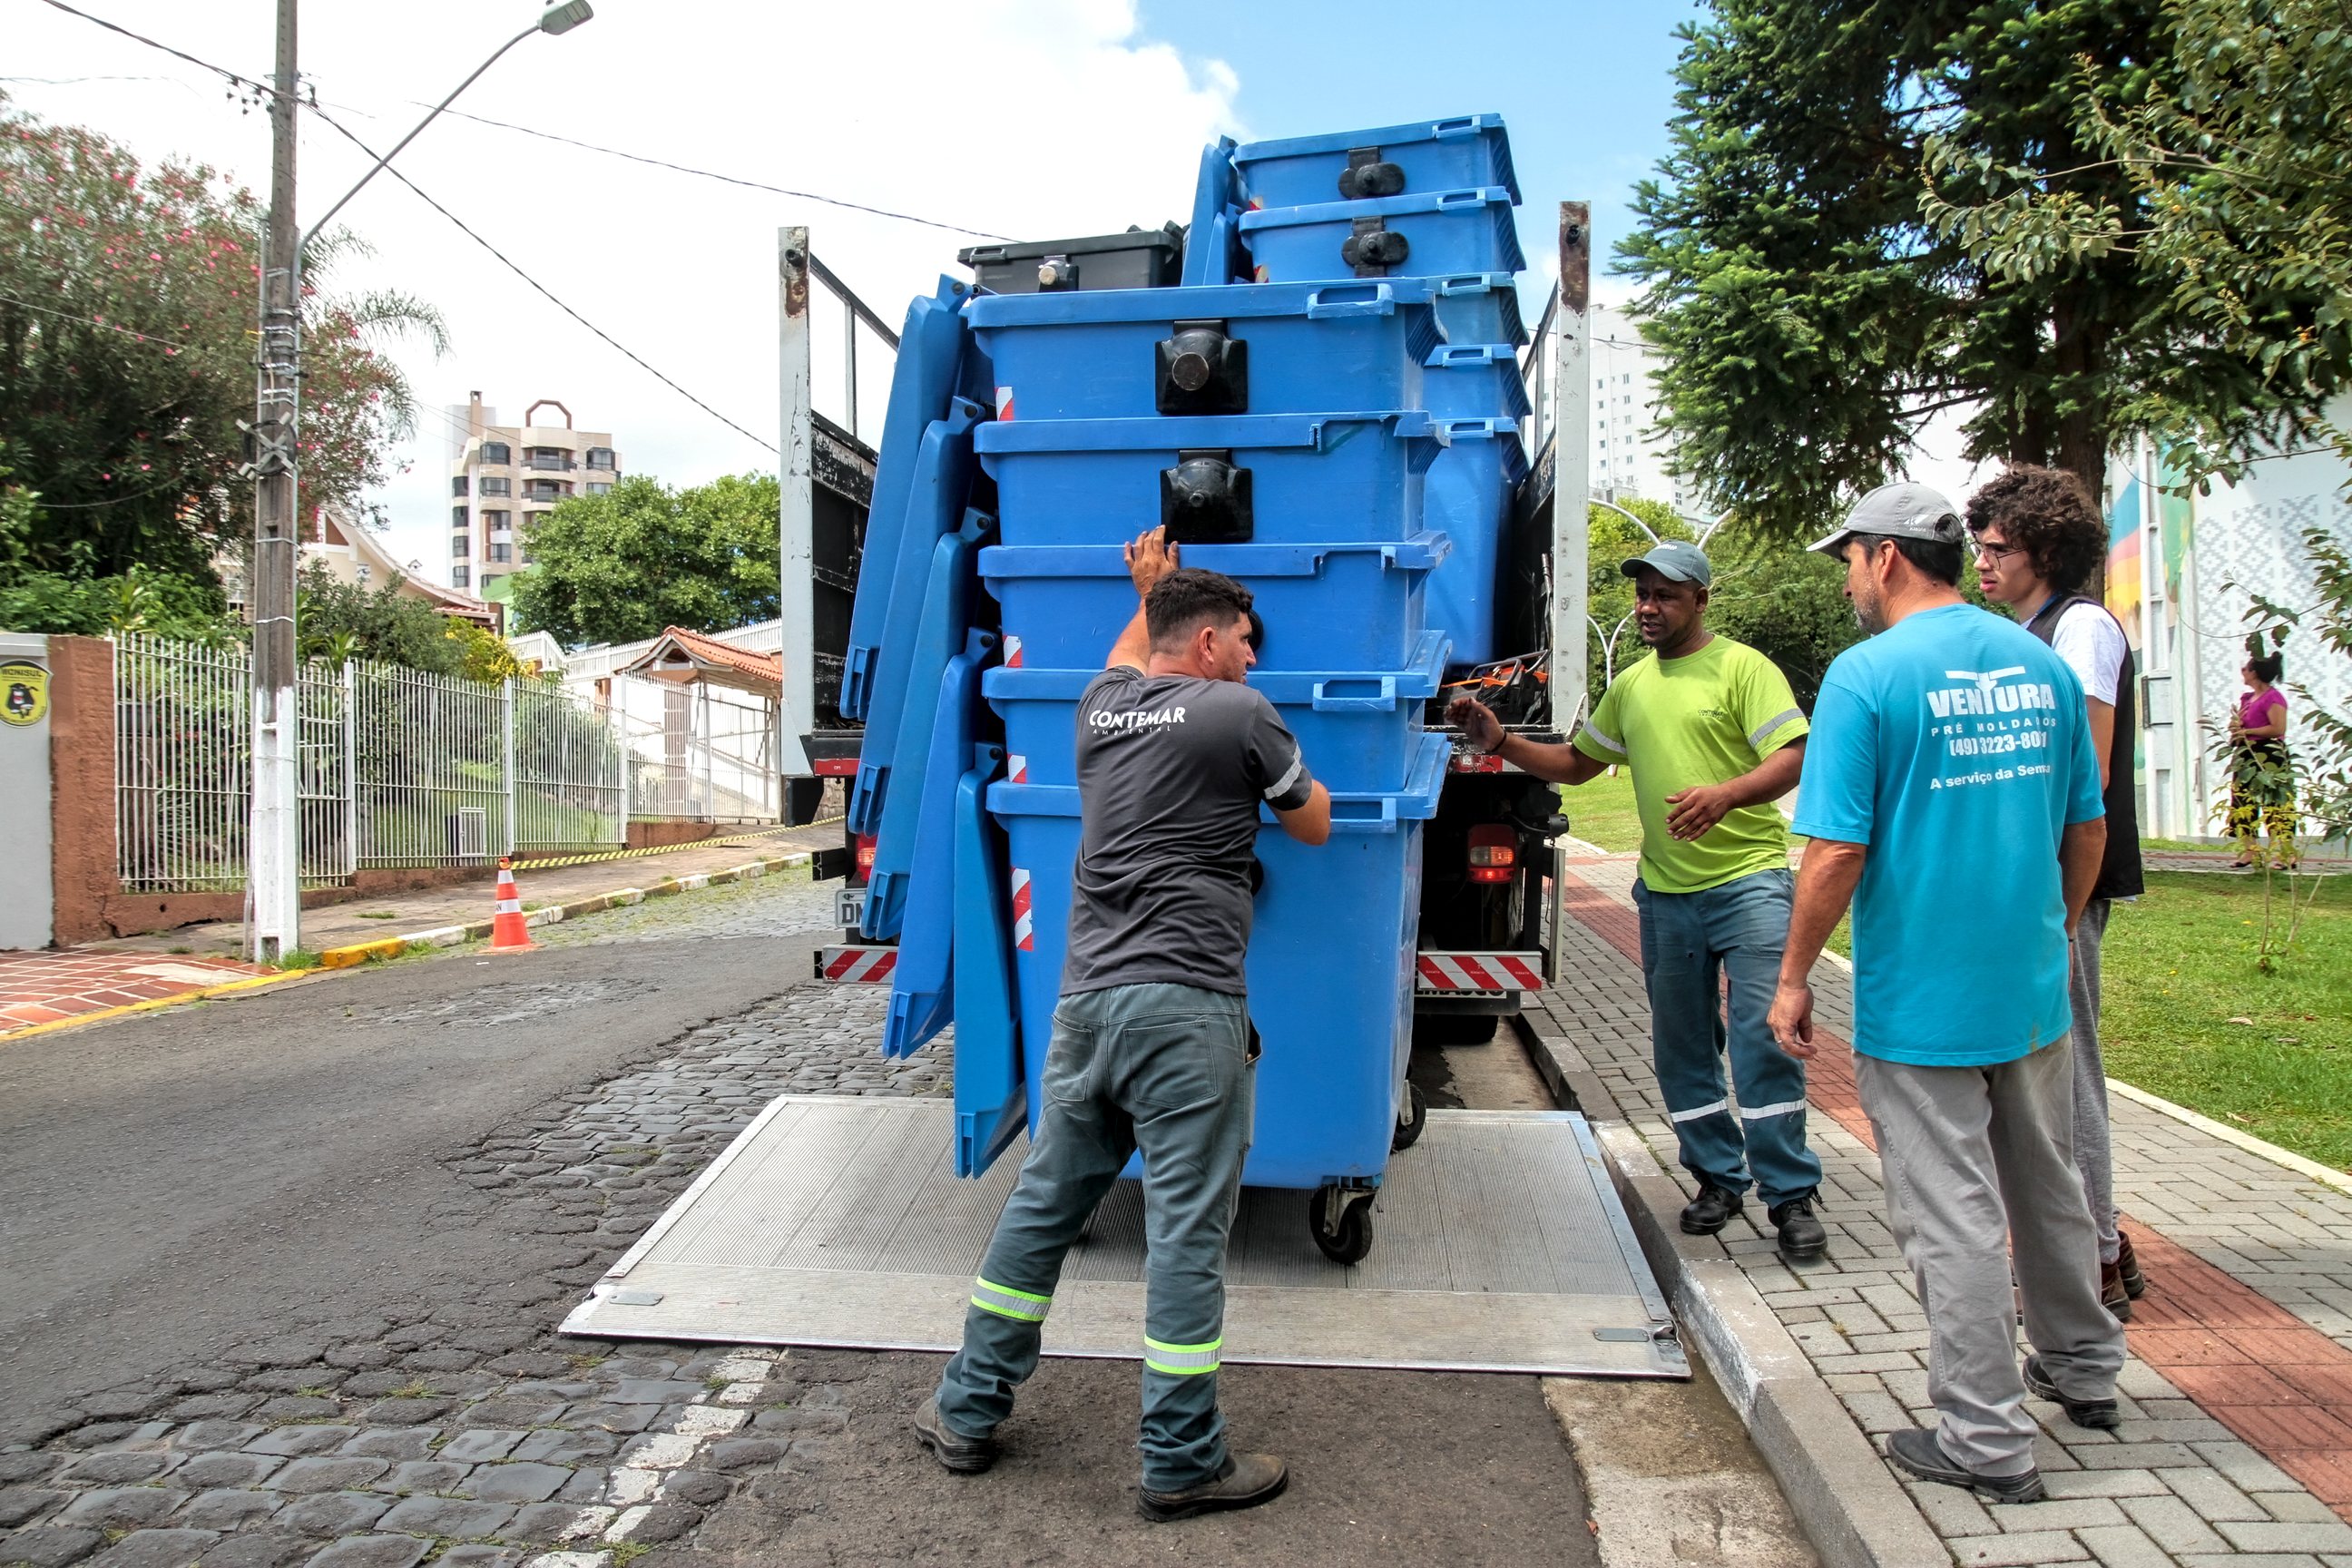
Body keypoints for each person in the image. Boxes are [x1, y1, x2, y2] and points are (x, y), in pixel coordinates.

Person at [916, 528, 1332, 1523]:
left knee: (1044, 1210)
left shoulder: (1098, 712)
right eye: (1240, 638)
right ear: (1206, 648)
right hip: (1187, 1009)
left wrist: (1147, 589)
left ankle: (965, 1410)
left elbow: (1125, 654)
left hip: (1087, 1007)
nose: (1250, 655)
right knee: (1186, 1235)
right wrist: (1287, 776)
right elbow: (1310, 821)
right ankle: (1181, 1461)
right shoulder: (1239, 713)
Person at [1768, 481, 2123, 1504]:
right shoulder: (2040, 662)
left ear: (1884, 558)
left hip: (1923, 998)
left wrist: (1792, 979)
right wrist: (2052, 929)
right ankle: (2085, 1372)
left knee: (1951, 1217)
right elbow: (2086, 828)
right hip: (2030, 986)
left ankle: (1985, 1440)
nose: (1846, 581)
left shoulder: (1866, 677)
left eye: (1848, 561)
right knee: (2048, 1186)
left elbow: (1834, 849)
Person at [1449, 540, 1827, 1265]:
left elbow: (1794, 756)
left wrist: (1726, 795)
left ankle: (1790, 1196)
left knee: (1760, 1041)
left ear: (1701, 601)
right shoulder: (1631, 684)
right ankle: (1718, 1178)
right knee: (1682, 1047)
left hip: (1749, 884)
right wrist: (1503, 741)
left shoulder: (1744, 669)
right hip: (1666, 894)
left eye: (1666, 596)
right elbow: (1580, 764)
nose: (1649, 608)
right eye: (1643, 595)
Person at [1966, 465, 2148, 1319]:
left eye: (1998, 548)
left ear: (2046, 549)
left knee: (2069, 1076)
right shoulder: (2029, 630)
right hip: (2024, 889)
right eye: (1978, 545)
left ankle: (2098, 1258)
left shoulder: (2079, 631)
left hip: (2061, 891)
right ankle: (2092, 1241)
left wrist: (2057, 908)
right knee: (2039, 1075)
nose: (1982, 563)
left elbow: (2083, 774)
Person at [2228, 652, 2298, 870]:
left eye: (2246, 669)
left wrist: (2248, 731)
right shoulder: (2247, 699)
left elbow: (2278, 728)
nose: (2243, 672)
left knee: (2276, 803)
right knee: (2241, 800)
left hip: (2268, 753)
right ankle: (2250, 851)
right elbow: (2239, 724)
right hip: (2245, 753)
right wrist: (2236, 729)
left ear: (2255, 673)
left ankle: (2286, 854)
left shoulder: (2273, 698)